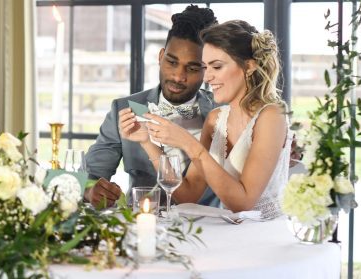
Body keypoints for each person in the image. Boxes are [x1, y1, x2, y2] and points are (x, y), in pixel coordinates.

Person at [123, 20, 291, 219]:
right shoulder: (215, 119)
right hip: (232, 232)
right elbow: (188, 195)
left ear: (249, 67)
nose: (207, 77)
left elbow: (244, 203)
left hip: (267, 236)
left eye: (217, 67)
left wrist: (187, 142)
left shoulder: (271, 116)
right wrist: (147, 142)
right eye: (205, 67)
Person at [83, 5, 220, 209]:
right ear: (160, 56)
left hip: (208, 230)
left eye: (192, 68)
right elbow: (89, 174)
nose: (178, 76)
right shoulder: (124, 108)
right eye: (172, 62)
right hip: (141, 224)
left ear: (206, 69)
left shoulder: (223, 113)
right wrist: (90, 190)